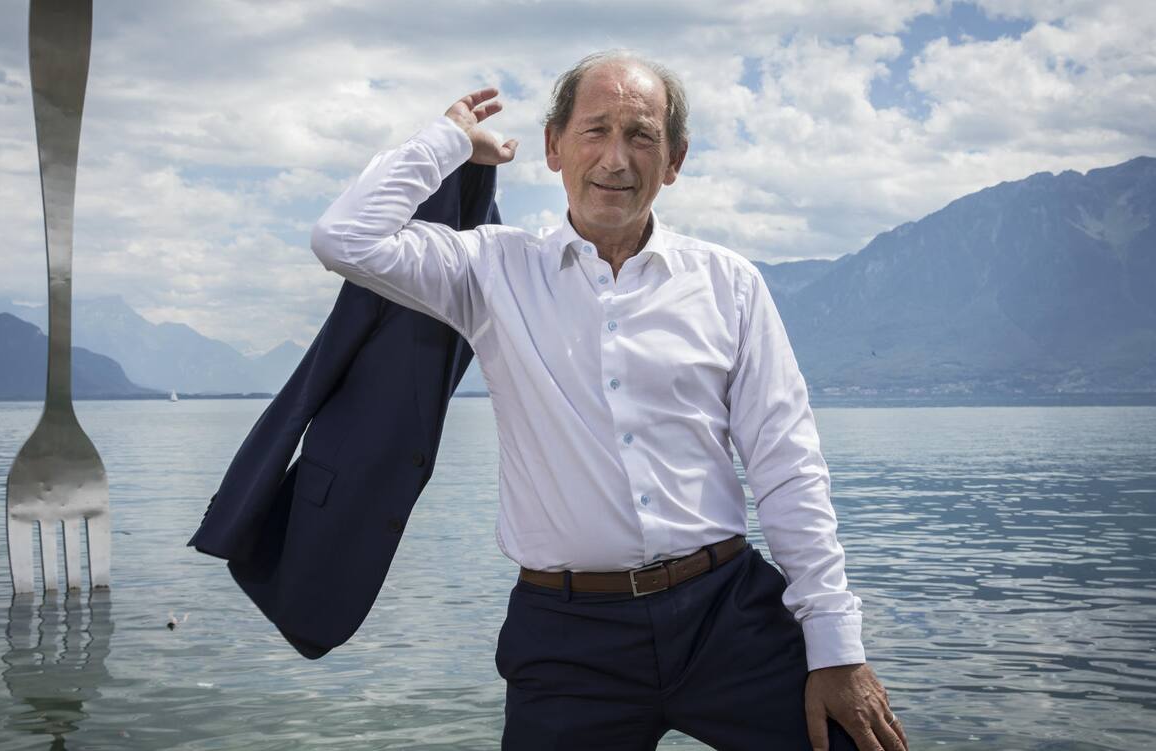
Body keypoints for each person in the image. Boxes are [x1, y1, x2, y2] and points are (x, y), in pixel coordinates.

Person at [309, 48, 908, 751]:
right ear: (553, 147)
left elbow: (787, 466)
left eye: (641, 135)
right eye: (594, 130)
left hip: (725, 612)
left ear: (674, 160)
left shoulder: (729, 284)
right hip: (568, 639)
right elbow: (343, 237)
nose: (615, 159)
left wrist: (835, 645)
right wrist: (447, 141)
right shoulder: (493, 269)